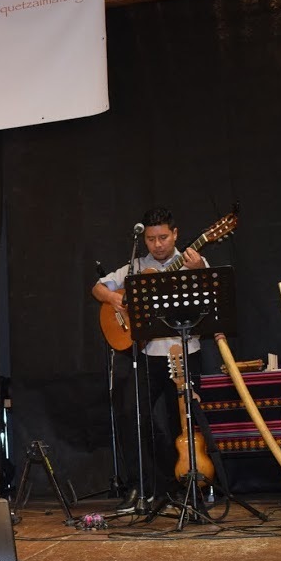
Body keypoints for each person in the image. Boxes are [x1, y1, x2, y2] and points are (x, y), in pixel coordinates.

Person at [91, 207, 206, 509]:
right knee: (131, 413)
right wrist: (114, 298)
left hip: (184, 353)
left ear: (175, 234)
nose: (157, 244)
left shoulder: (194, 262)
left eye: (163, 237)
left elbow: (209, 299)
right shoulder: (136, 267)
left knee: (181, 421)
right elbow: (98, 288)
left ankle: (186, 487)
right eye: (151, 239)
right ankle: (141, 485)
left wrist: (198, 272)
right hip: (146, 355)